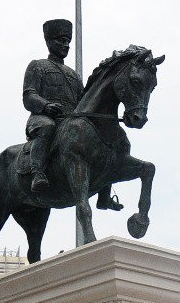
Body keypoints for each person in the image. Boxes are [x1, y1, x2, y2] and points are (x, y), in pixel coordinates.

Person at [23, 19, 122, 211]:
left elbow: (84, 101)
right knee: (47, 127)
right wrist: (45, 106)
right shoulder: (37, 66)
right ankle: (37, 173)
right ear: (49, 41)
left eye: (68, 41)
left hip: (69, 122)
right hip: (44, 118)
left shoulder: (73, 75)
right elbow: (29, 95)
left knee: (105, 140)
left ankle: (104, 195)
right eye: (61, 40)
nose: (66, 45)